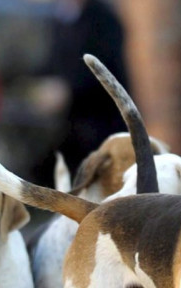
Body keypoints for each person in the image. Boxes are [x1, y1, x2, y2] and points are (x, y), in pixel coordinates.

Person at [32, 0, 129, 183]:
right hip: (71, 124)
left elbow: (106, 68)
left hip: (101, 122)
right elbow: (54, 62)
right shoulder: (61, 18)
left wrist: (68, 91)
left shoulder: (102, 18)